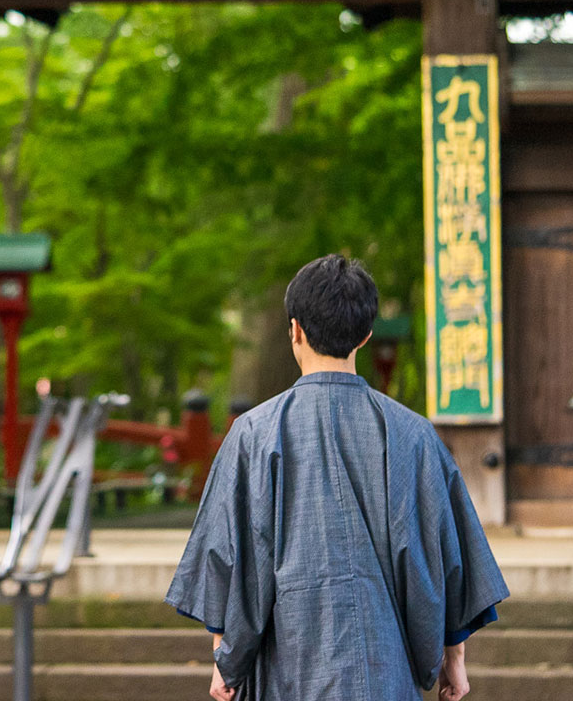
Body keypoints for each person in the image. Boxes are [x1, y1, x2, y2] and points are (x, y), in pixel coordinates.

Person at [167, 254, 507, 701]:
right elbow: (444, 558)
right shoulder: (414, 437)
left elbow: (231, 559)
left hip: (286, 675)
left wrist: (225, 660)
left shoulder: (252, 434)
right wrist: (453, 662)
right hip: (385, 675)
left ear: (295, 331)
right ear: (365, 336)